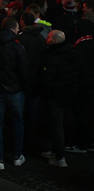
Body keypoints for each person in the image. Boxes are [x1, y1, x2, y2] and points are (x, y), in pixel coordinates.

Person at [0, 16, 29, 170]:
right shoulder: (17, 46)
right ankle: (17, 156)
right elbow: (23, 71)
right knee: (17, 121)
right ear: (13, 28)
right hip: (15, 91)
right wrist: (25, 87)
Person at [39, 29, 78, 167]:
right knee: (62, 122)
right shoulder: (72, 53)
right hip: (70, 93)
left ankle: (60, 156)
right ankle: (57, 150)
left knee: (56, 124)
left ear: (53, 40)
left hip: (56, 95)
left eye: (49, 37)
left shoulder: (52, 56)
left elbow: (47, 79)